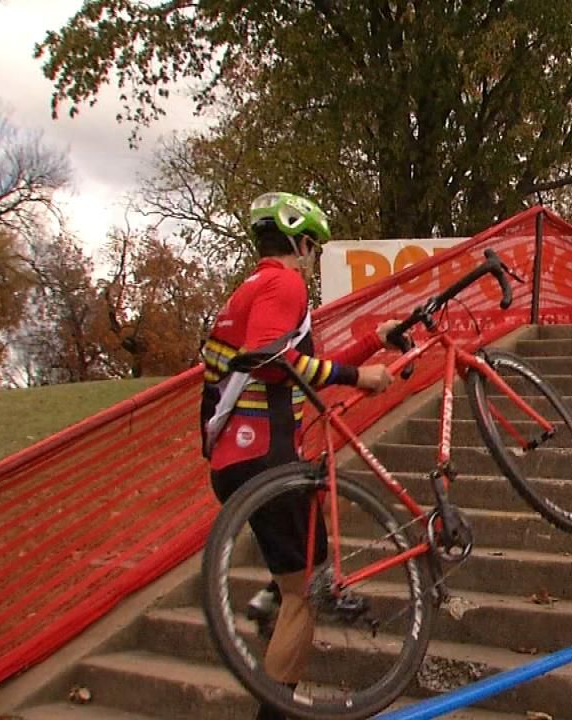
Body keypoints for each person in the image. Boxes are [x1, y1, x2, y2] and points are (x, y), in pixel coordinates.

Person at [199, 191, 398, 720]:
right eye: (313, 247)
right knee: (304, 595)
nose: (312, 258)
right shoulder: (284, 283)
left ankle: (270, 595)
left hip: (234, 461)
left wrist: (369, 345)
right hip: (269, 454)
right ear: (301, 243)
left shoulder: (248, 290)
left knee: (304, 565)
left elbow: (294, 368)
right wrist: (359, 377)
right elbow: (271, 359)